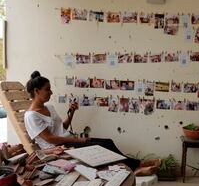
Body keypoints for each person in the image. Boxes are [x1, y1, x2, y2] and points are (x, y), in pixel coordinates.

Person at [24, 71, 160, 175]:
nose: (51, 92)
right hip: (59, 148)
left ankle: (136, 165)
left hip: (69, 140)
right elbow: (50, 139)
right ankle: (136, 167)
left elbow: (62, 128)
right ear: (36, 91)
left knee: (107, 142)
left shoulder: (49, 108)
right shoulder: (31, 116)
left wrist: (72, 113)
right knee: (102, 146)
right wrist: (78, 139)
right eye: (47, 89)